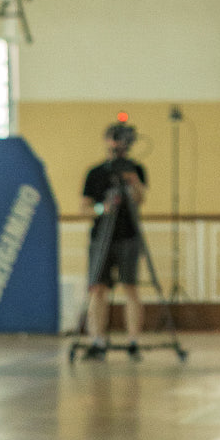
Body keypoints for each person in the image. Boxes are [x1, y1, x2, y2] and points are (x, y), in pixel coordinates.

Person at [80, 122, 148, 360]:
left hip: (128, 236)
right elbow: (84, 208)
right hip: (101, 238)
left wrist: (133, 182)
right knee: (98, 288)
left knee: (131, 287)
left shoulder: (135, 170)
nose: (119, 144)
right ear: (107, 141)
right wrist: (102, 208)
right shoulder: (96, 172)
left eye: (124, 139)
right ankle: (97, 340)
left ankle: (133, 341)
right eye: (115, 138)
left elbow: (140, 200)